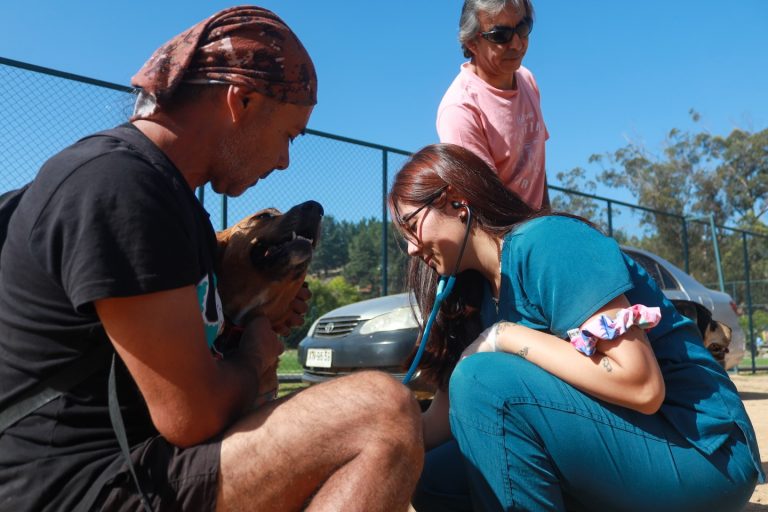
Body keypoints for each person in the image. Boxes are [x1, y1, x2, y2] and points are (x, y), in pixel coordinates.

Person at [0, 6, 423, 511]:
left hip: (139, 462)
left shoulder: (172, 201)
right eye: (289, 135)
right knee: (381, 412)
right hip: (80, 485)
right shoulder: (120, 185)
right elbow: (191, 415)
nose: (285, 160)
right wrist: (257, 355)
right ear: (240, 100)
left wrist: (250, 319)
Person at [388, 143, 763, 512]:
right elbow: (443, 416)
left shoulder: (549, 242)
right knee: (433, 479)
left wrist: (504, 336)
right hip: (629, 447)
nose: (410, 249)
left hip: (702, 451)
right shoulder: (477, 296)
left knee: (480, 377)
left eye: (410, 226)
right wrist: (374, 435)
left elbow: (641, 385)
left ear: (456, 201)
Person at [437, 0, 549, 209]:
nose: (516, 43)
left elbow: (537, 166)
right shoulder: (460, 110)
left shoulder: (527, 79)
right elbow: (487, 205)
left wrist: (547, 222)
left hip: (534, 228)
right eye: (500, 35)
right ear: (471, 42)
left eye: (523, 28)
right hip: (501, 234)